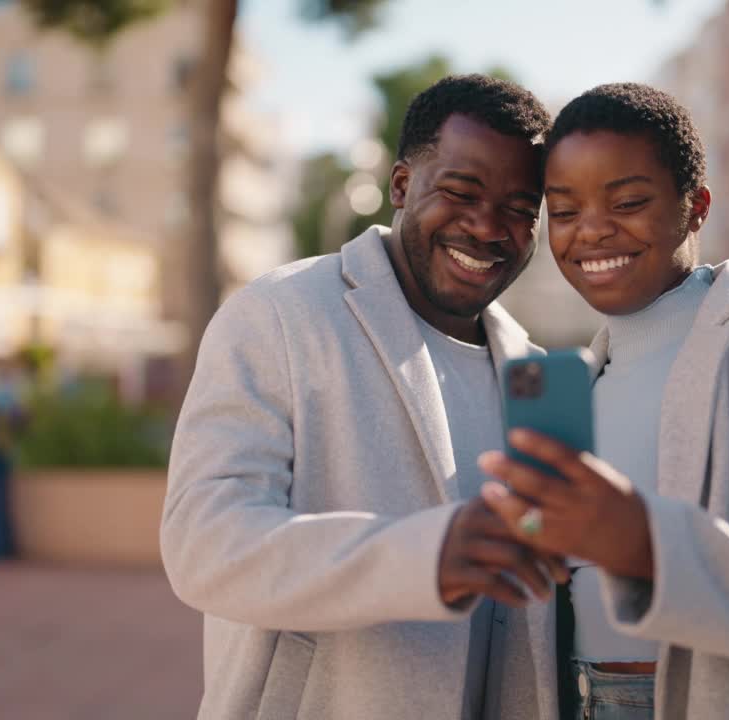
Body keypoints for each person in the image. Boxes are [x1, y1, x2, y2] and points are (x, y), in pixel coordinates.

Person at [162, 74, 570, 719]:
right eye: (461, 192)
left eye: (521, 209)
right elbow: (204, 546)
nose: (488, 226)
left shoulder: (535, 374)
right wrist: (425, 556)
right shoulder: (279, 314)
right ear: (402, 186)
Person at [478, 83, 729, 719]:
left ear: (696, 207)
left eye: (629, 201)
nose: (592, 231)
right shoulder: (583, 380)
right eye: (562, 210)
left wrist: (643, 543)